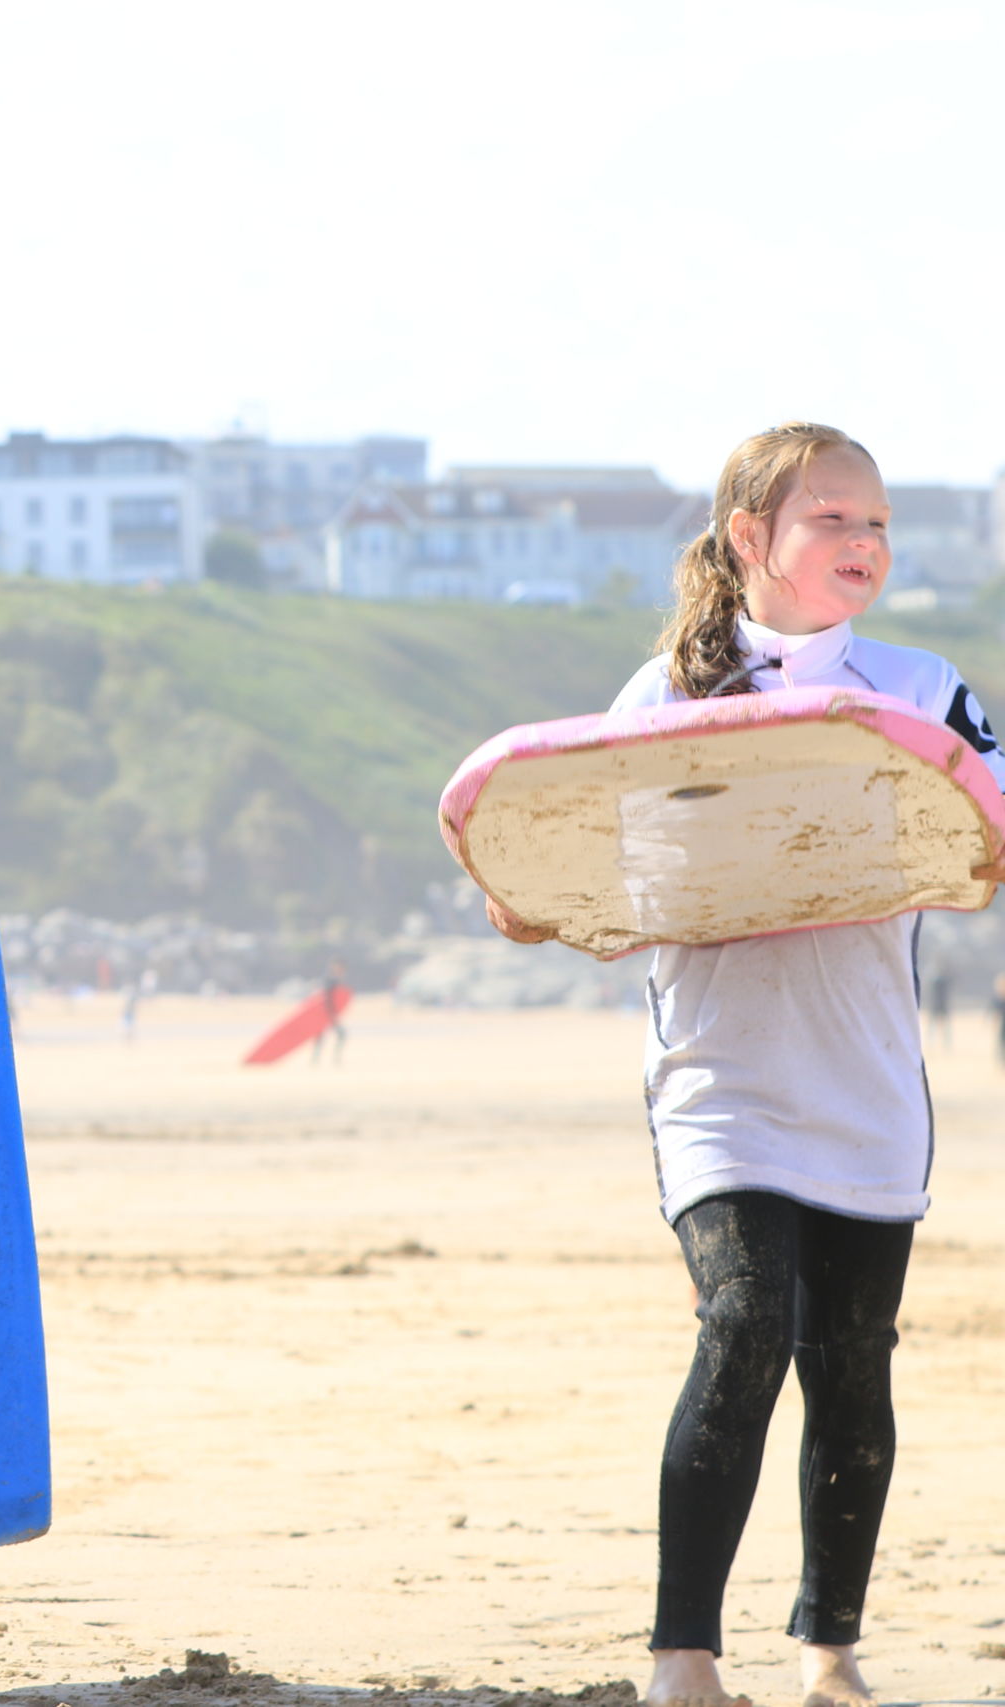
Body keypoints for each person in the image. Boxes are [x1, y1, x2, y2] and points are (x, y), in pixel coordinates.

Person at [487, 423, 1005, 1707]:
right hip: (718, 1083)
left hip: (868, 1085)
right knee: (741, 1329)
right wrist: (523, 893)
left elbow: (988, 833)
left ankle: (830, 1652)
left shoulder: (921, 689)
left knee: (853, 1364)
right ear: (748, 540)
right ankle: (683, 1661)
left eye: (876, 522)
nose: (862, 543)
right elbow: (573, 864)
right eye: (830, 519)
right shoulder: (666, 694)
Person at [310, 959, 348, 1065]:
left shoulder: (337, 979)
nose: (341, 970)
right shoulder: (329, 980)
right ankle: (317, 1060)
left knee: (335, 1035)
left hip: (329, 1013)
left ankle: (332, 1059)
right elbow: (326, 997)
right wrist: (331, 1014)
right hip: (326, 1013)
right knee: (322, 1037)